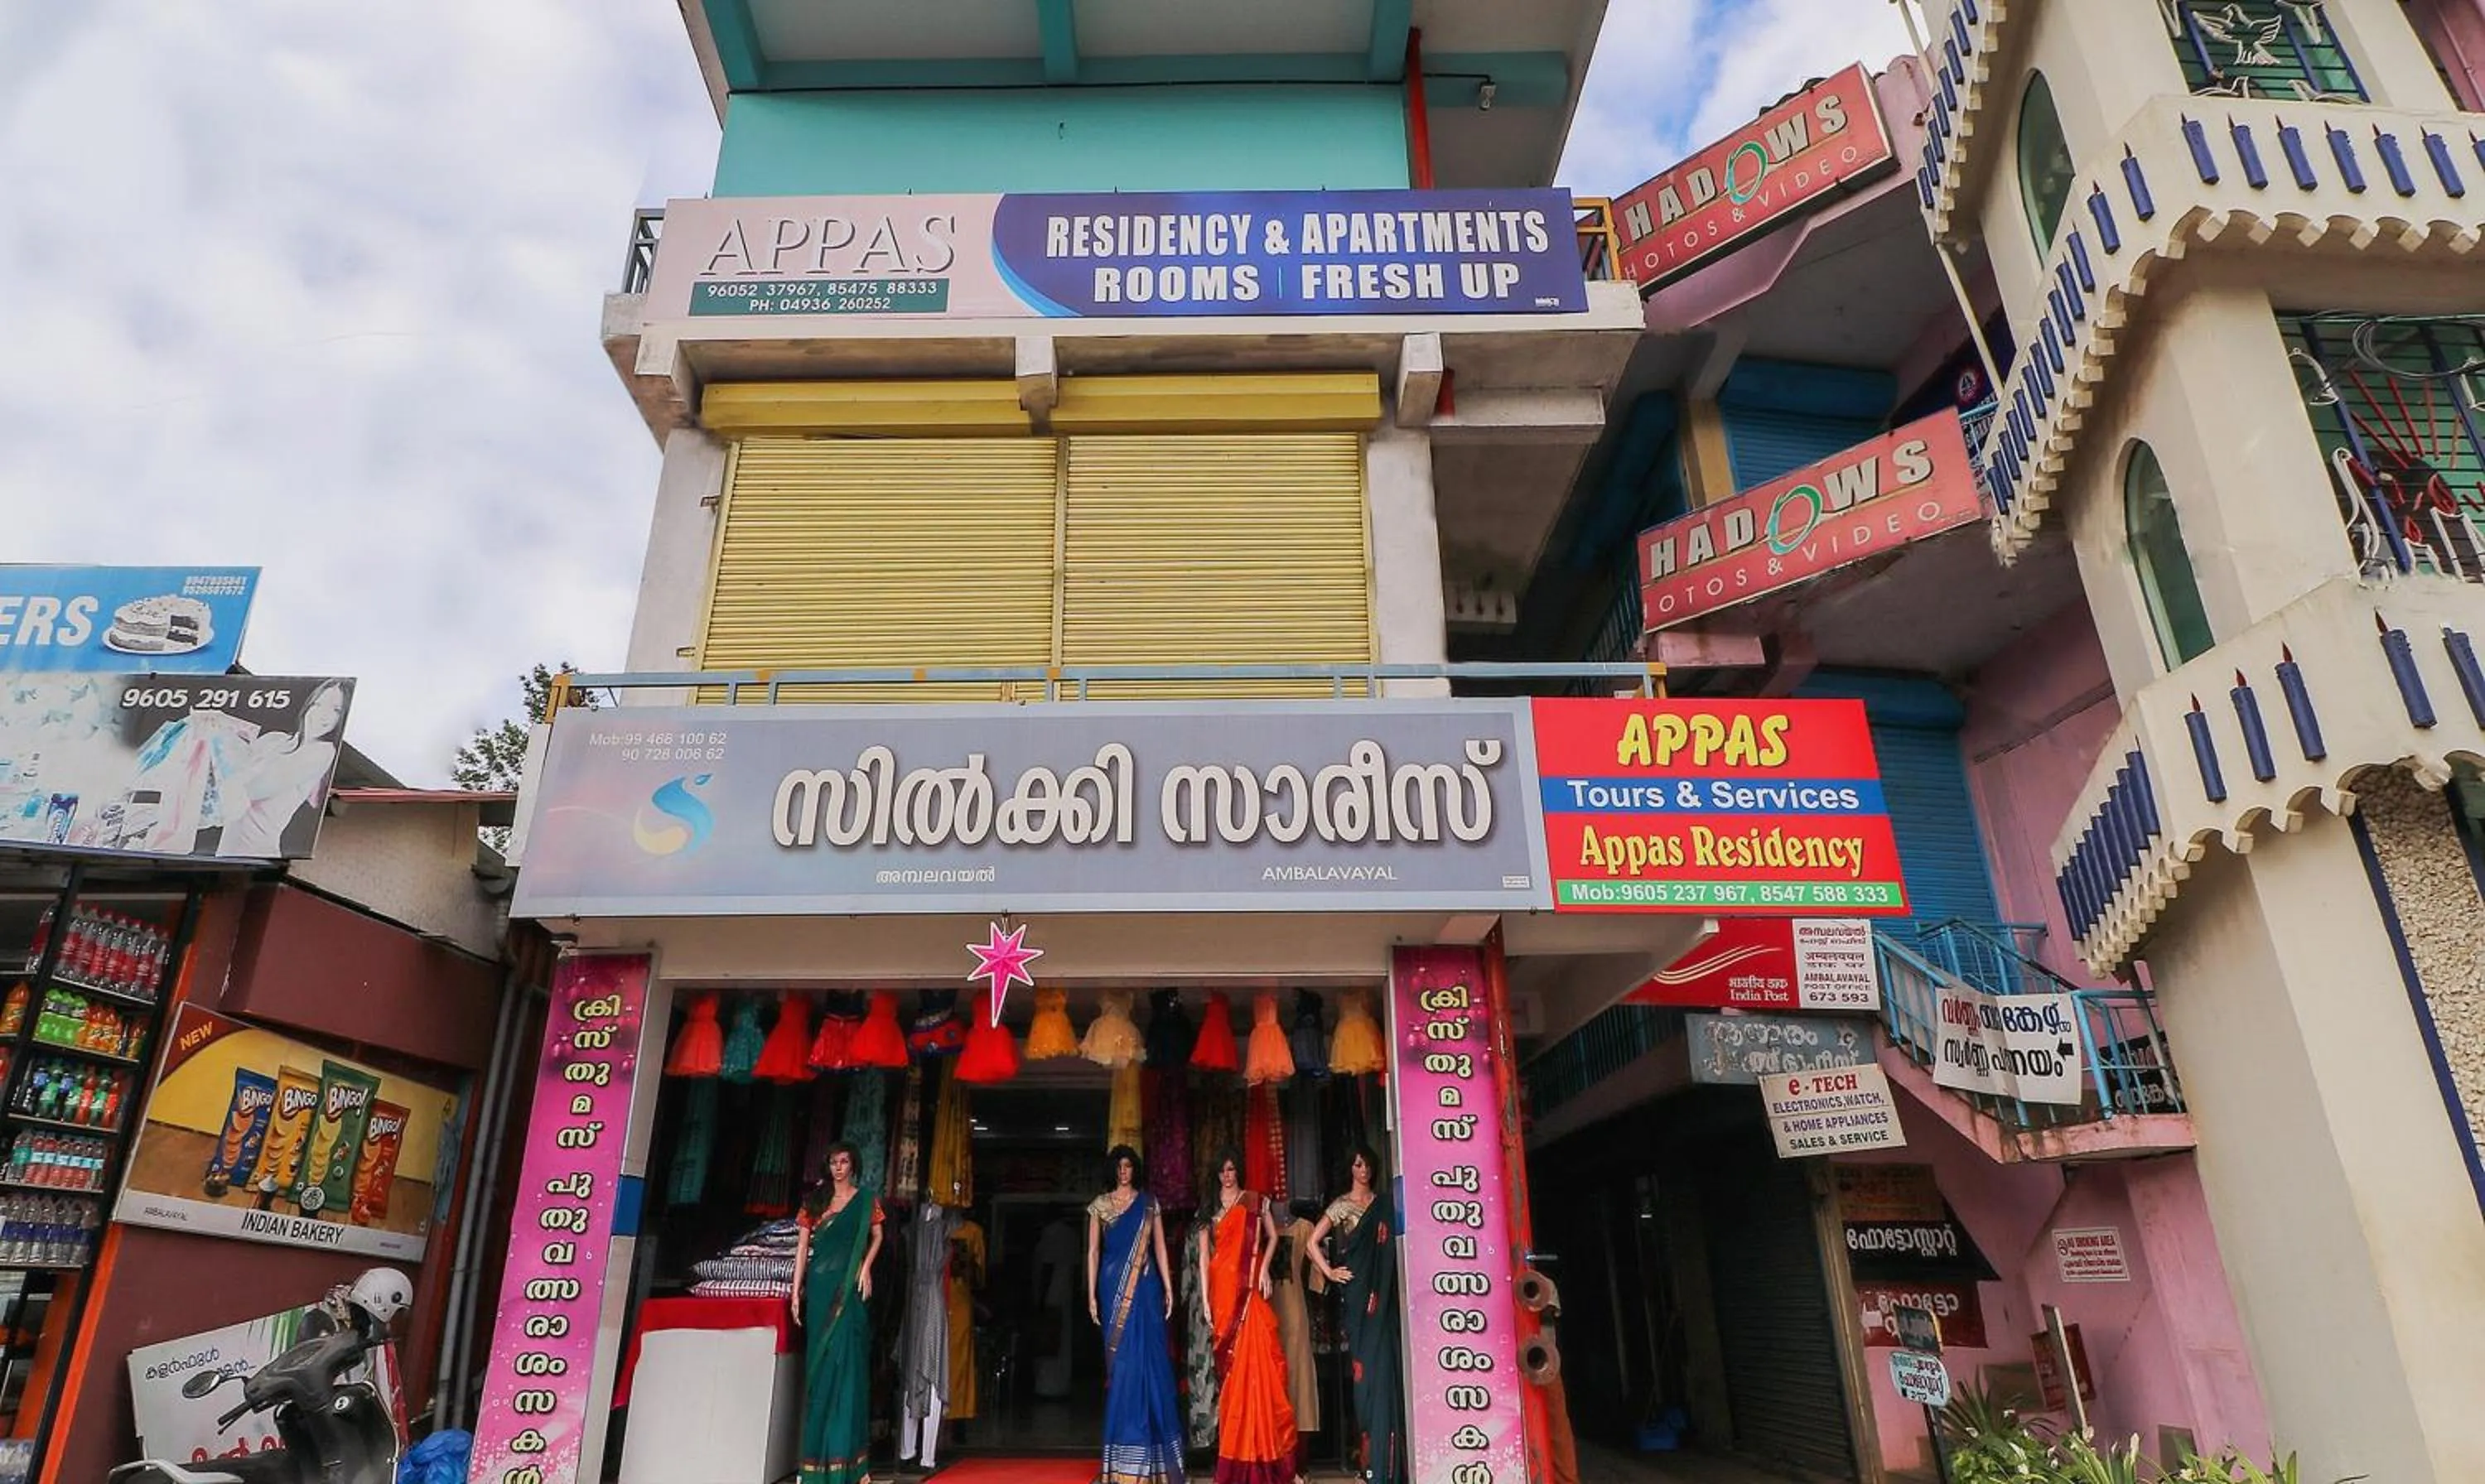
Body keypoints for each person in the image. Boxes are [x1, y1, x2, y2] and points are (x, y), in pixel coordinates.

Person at [1197, 1149, 1299, 1484]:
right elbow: (1203, 1260)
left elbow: (1272, 1237)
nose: (1228, 1175)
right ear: (1216, 1175)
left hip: (1248, 1294)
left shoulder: (1254, 1202)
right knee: (1230, 1381)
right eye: (1223, 1171)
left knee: (1259, 1371)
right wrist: (1207, 1303)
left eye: (1232, 1169)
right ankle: (1235, 1452)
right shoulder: (1209, 1211)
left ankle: (1262, 1453)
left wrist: (1264, 1268)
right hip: (1223, 1296)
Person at [1087, 1144, 1185, 1484]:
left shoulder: (1149, 1204)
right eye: (1119, 1166)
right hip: (1113, 1291)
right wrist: (1090, 1296)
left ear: (1135, 1170)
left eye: (1128, 1166)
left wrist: (1169, 1287)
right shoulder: (1100, 1206)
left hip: (1146, 1290)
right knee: (1123, 1368)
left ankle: (1153, 1463)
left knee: (1152, 1366)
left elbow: (1158, 1246)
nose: (1124, 1172)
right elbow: (1094, 1252)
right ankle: (1124, 1464)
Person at [1309, 1146, 1403, 1484]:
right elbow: (1311, 1241)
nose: (1362, 1170)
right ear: (1350, 1168)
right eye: (1357, 1164)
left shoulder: (1383, 1205)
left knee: (1385, 1371)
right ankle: (1368, 1462)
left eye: (1367, 1165)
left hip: (1384, 1295)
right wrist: (1331, 1272)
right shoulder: (1341, 1205)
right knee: (1364, 1376)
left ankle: (1387, 1464)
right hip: (1359, 1294)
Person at [792, 1143, 885, 1484]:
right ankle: (814, 1466)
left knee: (849, 1369)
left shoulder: (866, 1201)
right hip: (819, 1290)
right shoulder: (815, 1201)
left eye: (844, 1161)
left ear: (853, 1165)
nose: (839, 1167)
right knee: (821, 1370)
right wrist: (795, 1291)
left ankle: (853, 1465)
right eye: (833, 1162)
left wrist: (866, 1267)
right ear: (827, 1165)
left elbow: (878, 1235)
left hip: (851, 1289)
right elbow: (803, 1247)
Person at [210, 678, 350, 857]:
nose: (323, 714)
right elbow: (224, 779)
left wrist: (226, 751)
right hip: (225, 852)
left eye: (336, 710)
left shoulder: (321, 752)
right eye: (318, 704)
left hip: (257, 857)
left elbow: (250, 789)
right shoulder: (274, 739)